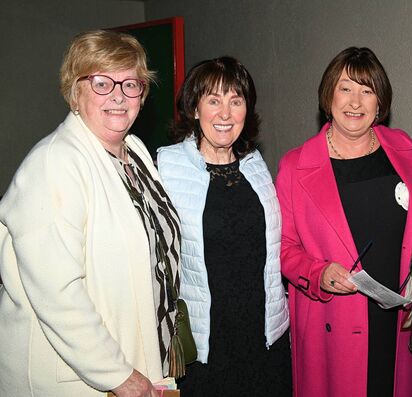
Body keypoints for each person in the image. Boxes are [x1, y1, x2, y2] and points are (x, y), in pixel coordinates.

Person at [0, 30, 181, 397]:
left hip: (138, 361)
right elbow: (58, 293)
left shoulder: (135, 152)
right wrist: (117, 375)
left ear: (142, 95)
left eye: (130, 83)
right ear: (75, 92)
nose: (118, 95)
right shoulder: (55, 163)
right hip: (81, 379)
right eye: (101, 82)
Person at [275, 47, 412, 397]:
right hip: (333, 319)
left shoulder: (404, 148)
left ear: (380, 102)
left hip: (396, 315)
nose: (355, 102)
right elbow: (282, 247)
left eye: (367, 90)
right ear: (328, 94)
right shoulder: (295, 166)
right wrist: (318, 274)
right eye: (346, 88)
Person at [157, 56, 290, 396]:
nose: (226, 114)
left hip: (262, 336)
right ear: (195, 108)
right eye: (213, 100)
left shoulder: (255, 164)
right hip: (205, 345)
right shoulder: (166, 166)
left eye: (236, 101)